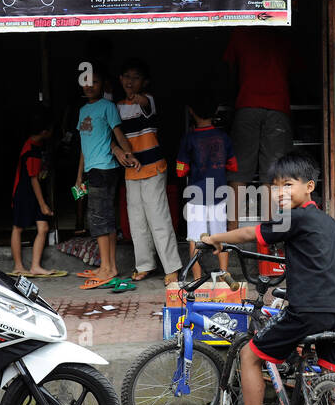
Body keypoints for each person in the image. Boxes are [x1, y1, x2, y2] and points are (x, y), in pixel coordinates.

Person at [200, 154, 335, 405]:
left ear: (309, 187)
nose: (279, 192)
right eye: (274, 186)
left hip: (307, 311)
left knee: (250, 355)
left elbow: (248, 235)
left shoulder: (293, 218)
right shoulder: (329, 223)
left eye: (288, 184)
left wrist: (214, 239)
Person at [115, 58, 182, 283]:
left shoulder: (148, 101)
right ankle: (144, 265)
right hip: (132, 171)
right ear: (120, 79)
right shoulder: (117, 107)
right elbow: (113, 137)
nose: (130, 81)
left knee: (158, 218)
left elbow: (142, 101)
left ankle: (172, 267)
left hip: (153, 167)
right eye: (126, 77)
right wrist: (118, 151)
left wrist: (136, 94)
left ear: (145, 82)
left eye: (135, 78)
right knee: (137, 220)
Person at [74, 64, 140, 288]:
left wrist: (129, 153)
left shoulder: (107, 106)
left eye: (94, 82)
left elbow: (118, 134)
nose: (89, 85)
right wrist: (78, 176)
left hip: (105, 169)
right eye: (85, 81)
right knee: (104, 218)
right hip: (93, 169)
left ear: (103, 85)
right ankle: (109, 266)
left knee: (99, 220)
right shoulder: (83, 111)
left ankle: (107, 268)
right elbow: (84, 146)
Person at [224, 26, 293, 220]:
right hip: (278, 107)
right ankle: (269, 236)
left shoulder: (239, 31)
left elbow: (230, 70)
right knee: (272, 175)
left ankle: (232, 233)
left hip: (246, 105)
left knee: (238, 172)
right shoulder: (282, 32)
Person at [176, 92, 237, 281]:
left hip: (196, 196)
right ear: (215, 111)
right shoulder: (223, 137)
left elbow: (180, 170)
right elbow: (233, 165)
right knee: (221, 235)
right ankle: (224, 274)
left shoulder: (189, 138)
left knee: (195, 237)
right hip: (218, 194)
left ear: (192, 112)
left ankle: (196, 279)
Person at [9, 119, 64, 277]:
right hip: (24, 193)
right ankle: (18, 266)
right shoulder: (31, 150)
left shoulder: (37, 145)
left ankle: (35, 267)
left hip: (35, 192)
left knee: (43, 228)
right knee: (18, 228)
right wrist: (43, 205)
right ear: (44, 132)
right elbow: (33, 179)